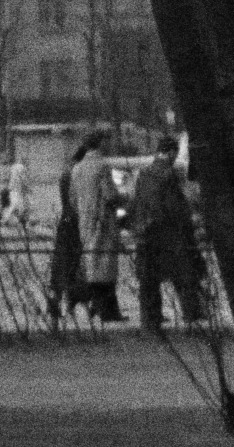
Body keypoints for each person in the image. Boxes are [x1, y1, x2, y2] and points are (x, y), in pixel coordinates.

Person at [130, 134, 208, 334]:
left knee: (149, 281)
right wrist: (189, 225)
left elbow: (136, 203)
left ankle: (150, 321)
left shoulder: (144, 173)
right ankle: (193, 319)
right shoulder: (168, 174)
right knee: (184, 276)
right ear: (172, 152)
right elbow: (176, 207)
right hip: (170, 235)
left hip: (146, 234)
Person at [61, 132, 126, 321]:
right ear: (100, 144)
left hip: (85, 222)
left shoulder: (77, 168)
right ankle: (107, 310)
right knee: (106, 266)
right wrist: (125, 198)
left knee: (91, 264)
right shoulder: (102, 166)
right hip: (103, 222)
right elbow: (110, 196)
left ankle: (98, 306)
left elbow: (72, 199)